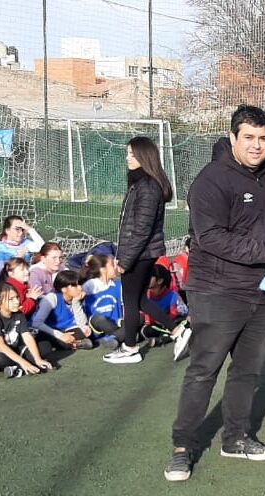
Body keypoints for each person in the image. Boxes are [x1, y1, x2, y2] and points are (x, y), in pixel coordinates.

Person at [165, 105, 265, 482]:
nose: (256, 146)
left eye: (263, 138)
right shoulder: (211, 181)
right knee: (204, 371)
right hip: (217, 290)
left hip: (261, 292)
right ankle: (183, 447)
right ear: (233, 138)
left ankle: (236, 438)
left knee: (248, 372)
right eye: (248, 138)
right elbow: (211, 238)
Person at [102, 136, 173, 364]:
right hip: (140, 252)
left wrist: (124, 259)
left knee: (130, 300)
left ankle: (130, 347)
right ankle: (178, 328)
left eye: (132, 154)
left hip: (140, 253)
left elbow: (141, 230)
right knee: (140, 299)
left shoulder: (149, 187)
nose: (127, 158)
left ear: (145, 156)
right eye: (128, 153)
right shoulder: (140, 184)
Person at [0, 282, 54, 378]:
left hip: (14, 349)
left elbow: (27, 336)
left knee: (45, 346)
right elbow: (0, 346)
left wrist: (37, 359)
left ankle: (17, 368)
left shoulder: (18, 313)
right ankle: (22, 366)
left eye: (17, 297)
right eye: (11, 299)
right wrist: (24, 363)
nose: (17, 301)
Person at [31, 270, 97, 350]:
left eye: (79, 284)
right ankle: (73, 343)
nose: (79, 287)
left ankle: (74, 343)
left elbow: (82, 324)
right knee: (51, 341)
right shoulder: (52, 298)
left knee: (87, 331)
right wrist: (61, 336)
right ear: (64, 289)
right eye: (74, 285)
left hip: (68, 329)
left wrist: (76, 303)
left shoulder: (77, 298)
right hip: (47, 330)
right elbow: (36, 323)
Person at [82, 253, 126, 347]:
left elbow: (124, 307)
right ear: (103, 269)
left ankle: (115, 338)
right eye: (112, 265)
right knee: (99, 318)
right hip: (97, 327)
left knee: (137, 318)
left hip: (116, 323)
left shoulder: (118, 285)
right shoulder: (89, 286)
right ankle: (123, 336)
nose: (115, 267)